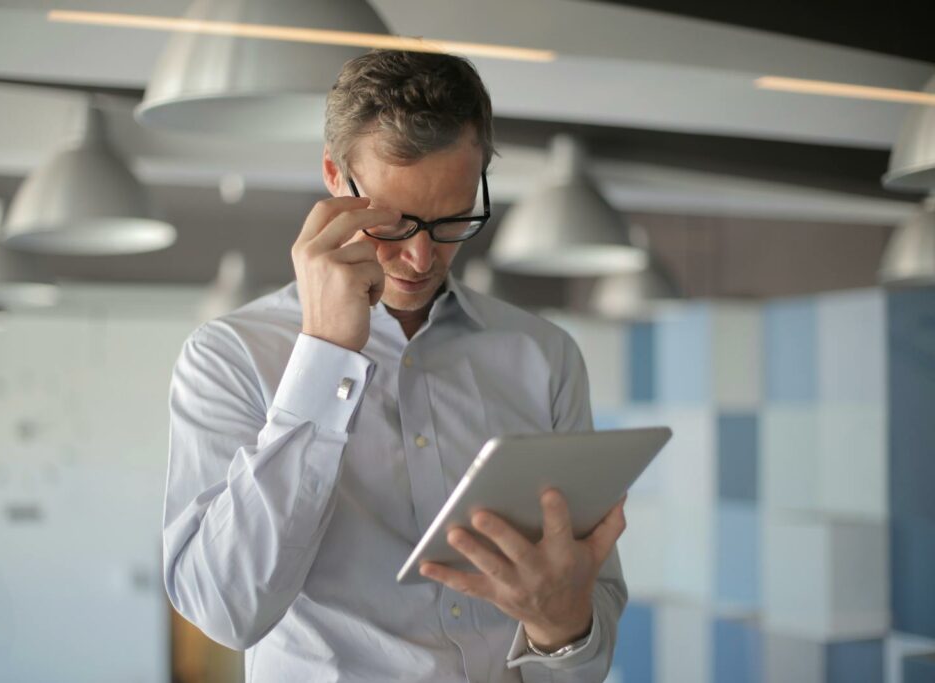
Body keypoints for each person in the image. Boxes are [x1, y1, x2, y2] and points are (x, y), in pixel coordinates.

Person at [164, 49, 628, 682]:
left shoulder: (544, 358)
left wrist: (558, 628)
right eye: (394, 221)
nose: (419, 256)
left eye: (451, 219)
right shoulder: (228, 358)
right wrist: (325, 358)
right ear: (334, 175)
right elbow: (225, 611)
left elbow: (588, 637)